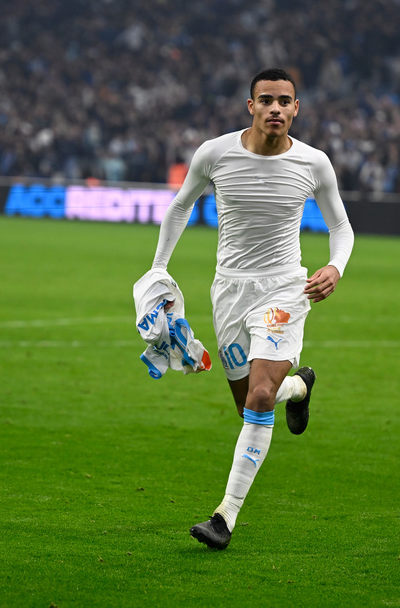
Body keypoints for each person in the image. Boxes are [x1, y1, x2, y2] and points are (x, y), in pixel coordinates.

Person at [149, 68, 355, 549]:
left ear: (296, 108)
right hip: (229, 291)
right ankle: (300, 387)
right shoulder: (215, 153)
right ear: (251, 106)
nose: (276, 109)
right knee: (249, 405)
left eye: (285, 101)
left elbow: (341, 227)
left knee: (260, 397)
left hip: (285, 289)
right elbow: (181, 207)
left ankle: (225, 516)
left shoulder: (314, 163)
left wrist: (335, 266)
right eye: (267, 100)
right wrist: (159, 269)